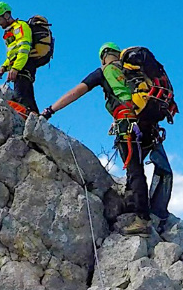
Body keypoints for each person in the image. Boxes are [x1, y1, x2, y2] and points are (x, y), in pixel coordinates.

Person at [42, 42, 175, 235]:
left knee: (134, 169)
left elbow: (76, 92)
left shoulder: (104, 70)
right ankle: (137, 204)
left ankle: (143, 220)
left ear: (104, 56)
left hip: (128, 125)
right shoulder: (136, 72)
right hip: (150, 126)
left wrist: (50, 110)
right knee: (140, 168)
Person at [0, 1, 40, 114]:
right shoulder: (11, 31)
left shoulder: (20, 27)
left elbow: (24, 49)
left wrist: (16, 68)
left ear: (6, 15)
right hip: (21, 66)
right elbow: (13, 54)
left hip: (24, 65)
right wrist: (4, 67)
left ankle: (28, 123)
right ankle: (36, 122)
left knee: (21, 99)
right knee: (27, 98)